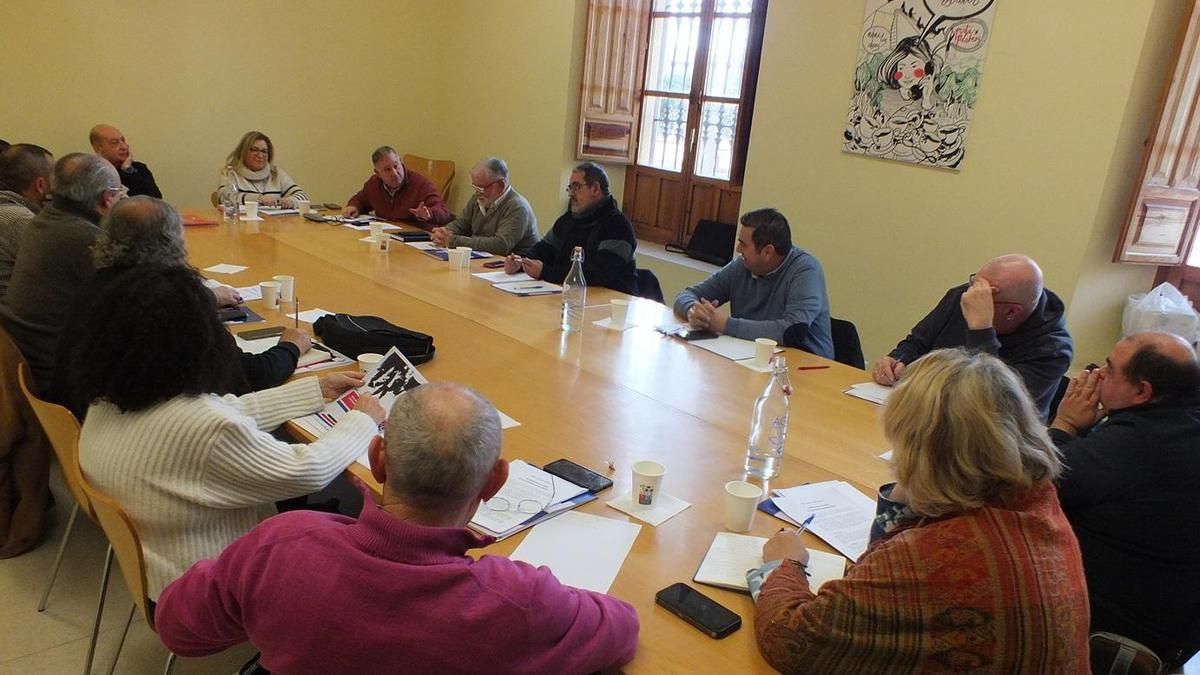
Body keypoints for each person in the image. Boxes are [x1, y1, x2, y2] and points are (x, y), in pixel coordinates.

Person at [155, 381, 639, 674]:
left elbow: (179, 627)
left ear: (377, 460)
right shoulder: (517, 601)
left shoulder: (282, 544)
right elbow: (622, 628)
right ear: (495, 481)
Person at [750, 349, 1089, 672]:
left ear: (923, 454)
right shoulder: (1038, 503)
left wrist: (785, 565)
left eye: (901, 444)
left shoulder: (935, 555)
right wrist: (909, 493)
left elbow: (790, 640)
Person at [75, 265, 383, 600]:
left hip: (161, 566)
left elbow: (222, 412)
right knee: (373, 551)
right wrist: (362, 421)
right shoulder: (200, 426)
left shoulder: (109, 396)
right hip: (212, 589)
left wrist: (314, 390)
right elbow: (308, 471)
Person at [54, 197, 312, 413]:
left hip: (91, 421)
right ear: (174, 241)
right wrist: (290, 347)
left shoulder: (97, 284)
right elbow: (249, 377)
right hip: (147, 439)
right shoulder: (171, 303)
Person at [1049, 332, 1200, 669]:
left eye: (1110, 369)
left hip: (1111, 631)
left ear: (1142, 391)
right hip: (1173, 627)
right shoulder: (1181, 423)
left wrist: (1065, 424)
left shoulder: (1138, 443)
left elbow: (1031, 488)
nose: (1098, 375)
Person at [871, 254, 1072, 419]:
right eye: (974, 284)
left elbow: (992, 403)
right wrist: (898, 360)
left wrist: (981, 330)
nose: (970, 296)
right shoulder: (964, 295)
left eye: (983, 295)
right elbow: (917, 343)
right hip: (928, 415)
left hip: (995, 445)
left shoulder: (1053, 350)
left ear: (1012, 312)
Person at [0, 153, 124, 395]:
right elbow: (139, 298)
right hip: (59, 377)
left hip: (30, 360)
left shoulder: (45, 219)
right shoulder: (85, 238)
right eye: (121, 192)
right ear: (108, 198)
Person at [673, 208, 833, 357]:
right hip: (751, 360)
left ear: (768, 252)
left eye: (743, 244)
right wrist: (693, 310)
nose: (737, 249)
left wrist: (725, 324)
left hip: (804, 367)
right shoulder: (741, 266)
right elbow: (687, 294)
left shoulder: (805, 271)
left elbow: (791, 331)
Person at [504, 161, 637, 295]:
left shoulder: (618, 226)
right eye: (570, 188)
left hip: (607, 303)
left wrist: (546, 272)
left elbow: (598, 273)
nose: (571, 193)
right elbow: (543, 249)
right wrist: (521, 262)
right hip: (567, 296)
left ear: (595, 188)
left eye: (576, 187)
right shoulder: (568, 220)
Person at [429, 157, 538, 255]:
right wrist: (443, 233)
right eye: (475, 187)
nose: (477, 193)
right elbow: (461, 224)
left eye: (481, 188)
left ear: (501, 185)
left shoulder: (518, 207)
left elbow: (500, 245)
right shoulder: (479, 198)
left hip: (512, 269)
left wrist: (453, 241)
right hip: (484, 261)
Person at [343, 146, 450, 226]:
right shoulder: (374, 183)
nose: (394, 173)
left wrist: (429, 214)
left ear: (401, 162)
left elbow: (444, 212)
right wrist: (354, 206)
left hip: (412, 238)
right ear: (378, 173)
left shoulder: (420, 183)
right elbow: (361, 199)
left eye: (396, 166)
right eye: (387, 169)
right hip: (386, 234)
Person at [0, 143, 53, 301]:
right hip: (11, 316)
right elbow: (56, 271)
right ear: (41, 185)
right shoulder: (20, 220)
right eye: (55, 176)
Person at [218, 131, 308, 207]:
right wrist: (257, 198)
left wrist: (291, 201)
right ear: (243, 152)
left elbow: (302, 196)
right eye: (254, 150)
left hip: (274, 225)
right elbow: (224, 198)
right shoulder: (230, 172)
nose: (260, 155)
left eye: (264, 151)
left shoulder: (276, 173)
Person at [89, 124, 162, 198]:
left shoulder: (138, 169)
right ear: (98, 148)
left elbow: (155, 200)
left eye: (123, 140)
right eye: (114, 143)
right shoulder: (91, 173)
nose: (124, 147)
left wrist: (128, 170)